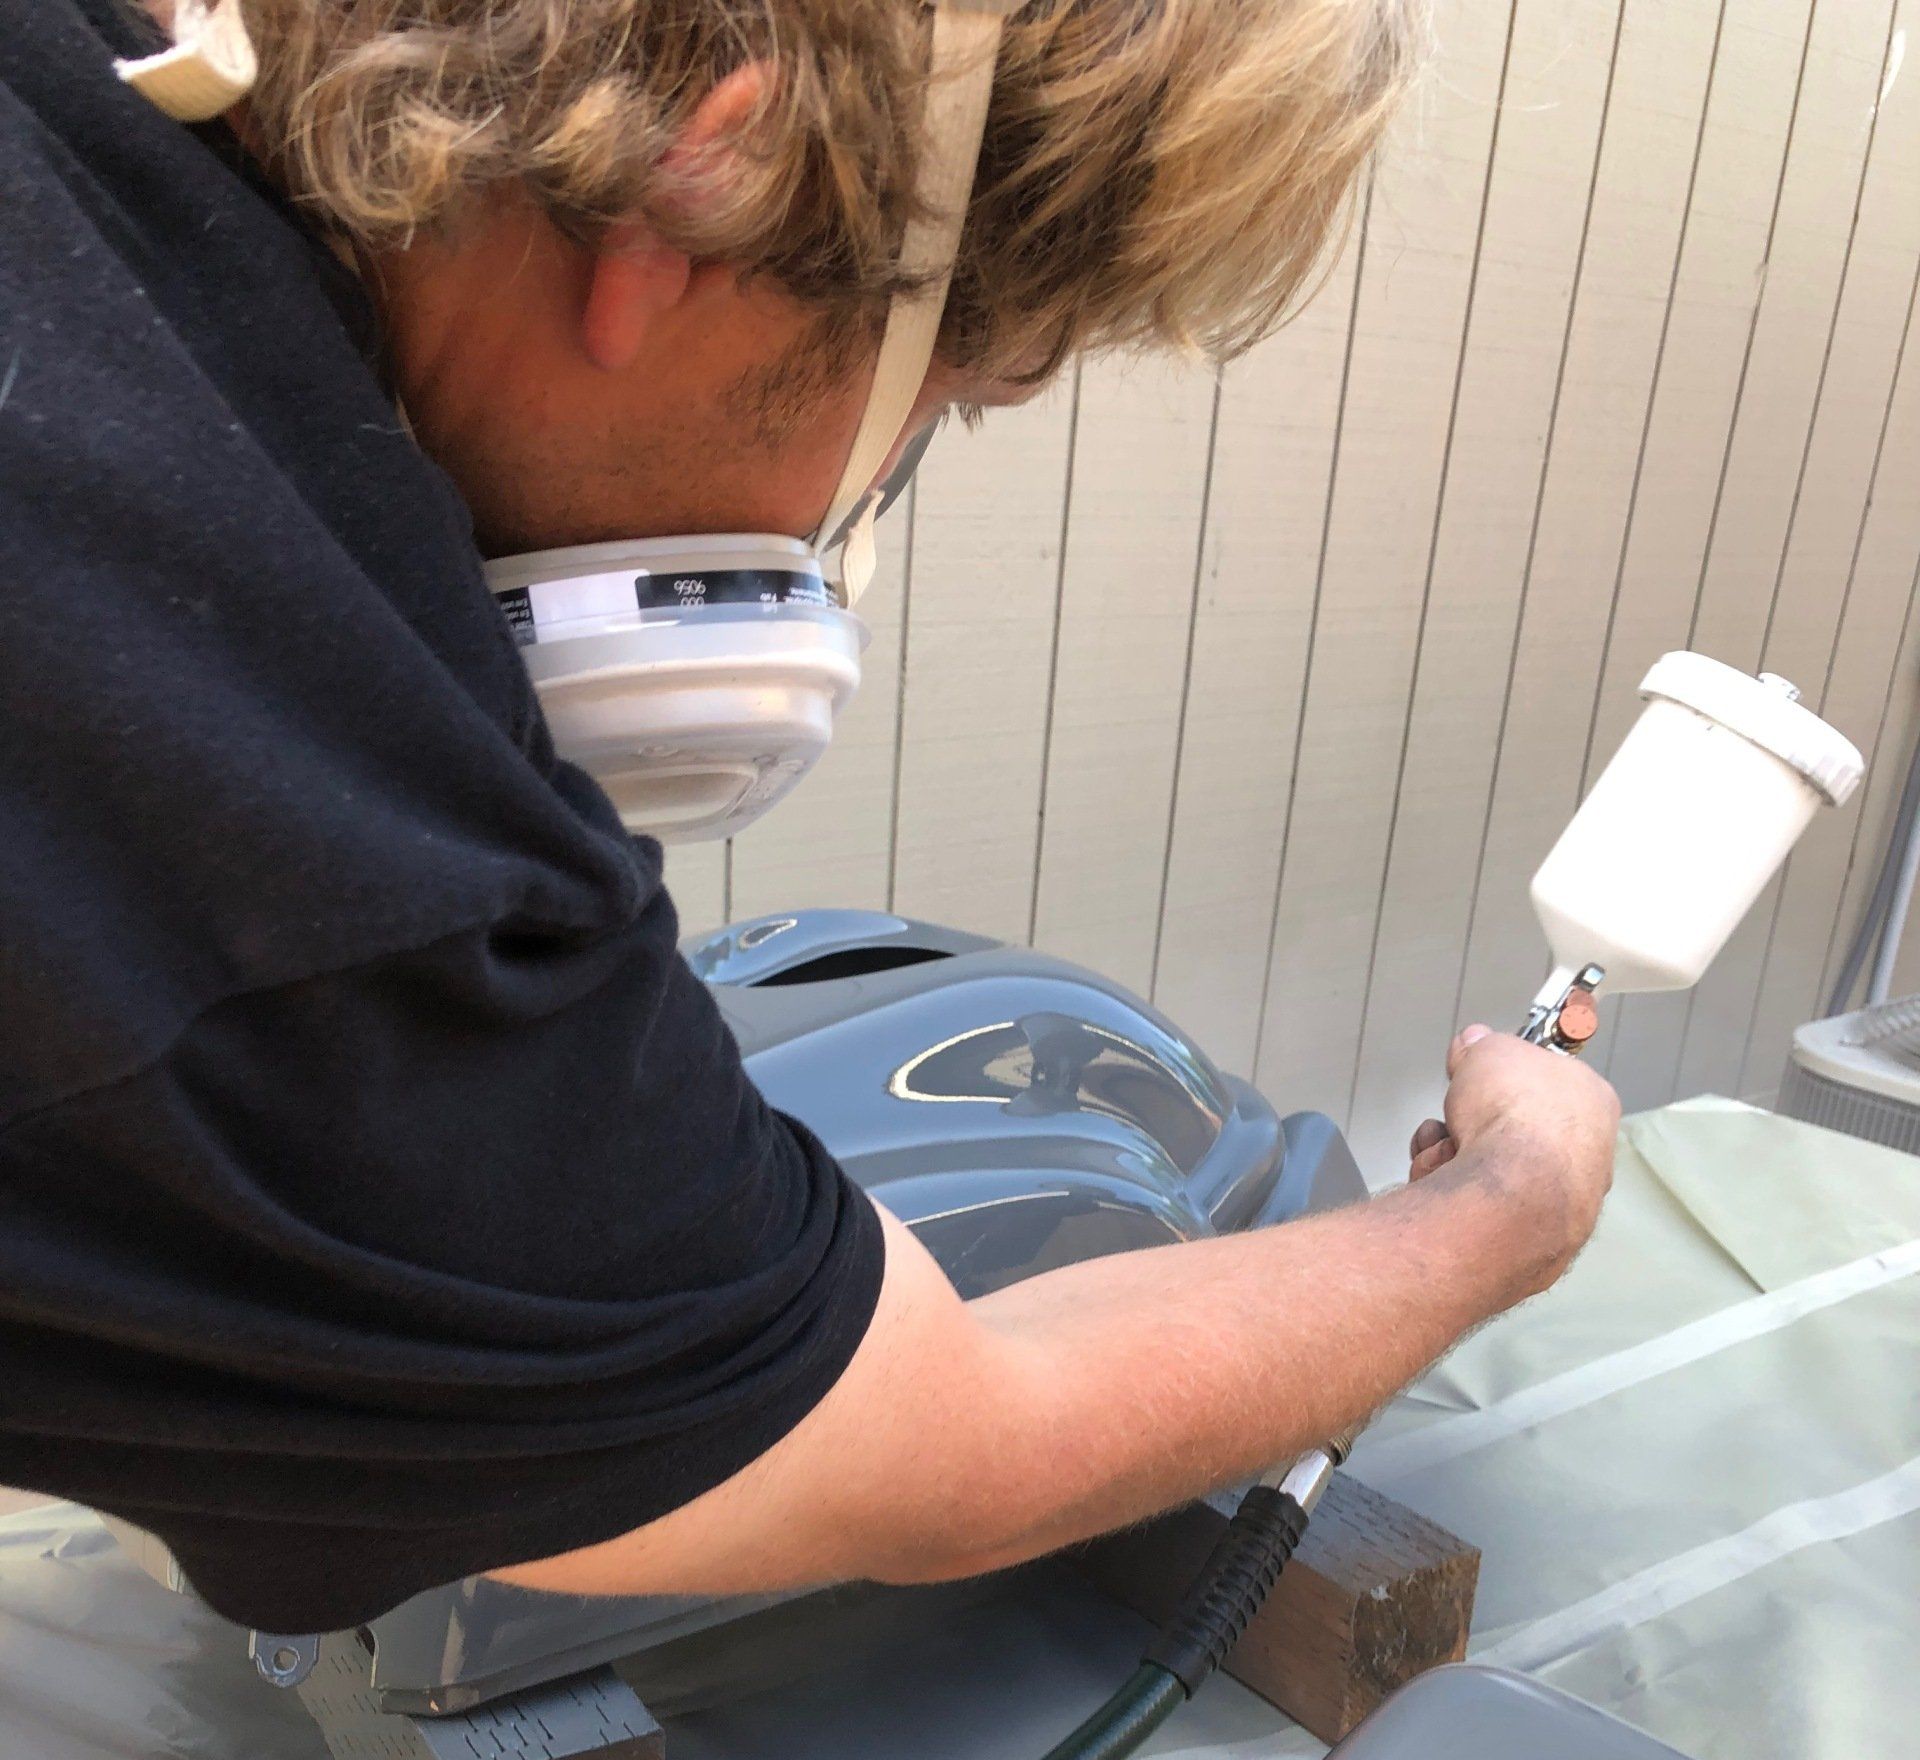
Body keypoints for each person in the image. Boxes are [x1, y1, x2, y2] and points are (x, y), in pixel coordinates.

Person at [0, 0, 1618, 1637]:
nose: (864, 498)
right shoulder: (277, 806)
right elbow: (941, 1435)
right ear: (700, 195)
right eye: (945, 399)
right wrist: (1499, 1217)